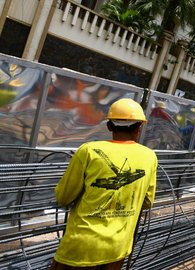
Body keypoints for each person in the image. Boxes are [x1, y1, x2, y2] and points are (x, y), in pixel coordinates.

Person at [50, 98, 158, 269]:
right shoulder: (149, 156)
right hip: (118, 249)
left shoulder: (88, 151)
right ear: (139, 128)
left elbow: (64, 197)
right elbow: (147, 201)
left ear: (109, 126)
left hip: (81, 248)